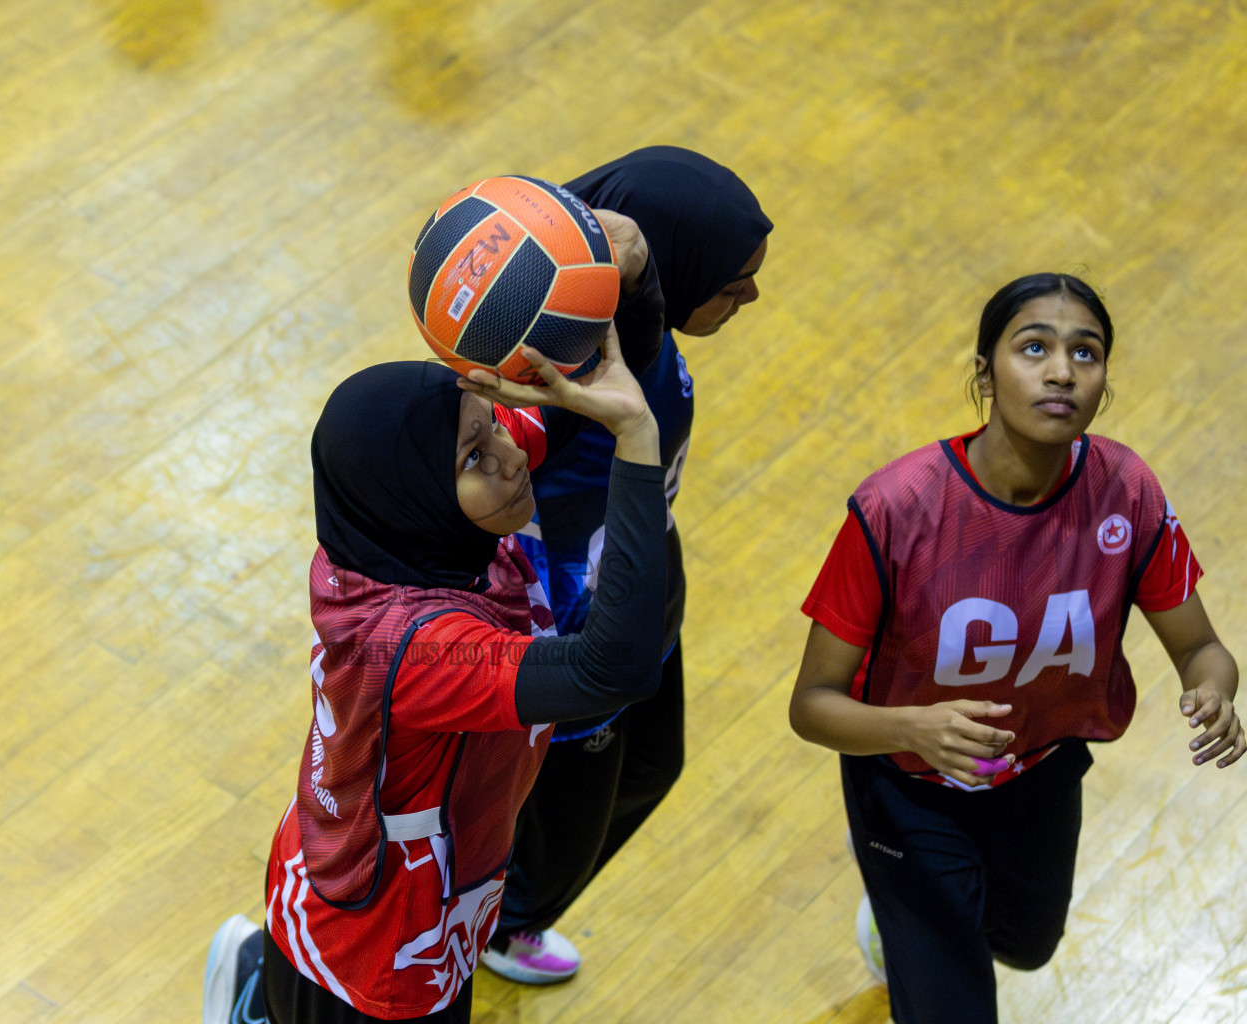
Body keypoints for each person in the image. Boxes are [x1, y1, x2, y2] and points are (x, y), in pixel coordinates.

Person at [202, 209, 672, 1023]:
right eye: (473, 455)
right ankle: (254, 987)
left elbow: (568, 390)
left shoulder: (420, 525)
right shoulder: (419, 648)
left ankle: (254, 981)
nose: (510, 452)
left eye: (490, 427)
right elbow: (611, 668)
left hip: (406, 883)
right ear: (419, 493)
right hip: (369, 952)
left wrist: (628, 285)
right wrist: (635, 437)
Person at [787, 272, 1243, 1024]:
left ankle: (904, 925)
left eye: (1085, 353)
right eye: (1034, 347)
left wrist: (1215, 690)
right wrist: (916, 730)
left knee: (1028, 946)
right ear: (985, 371)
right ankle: (902, 912)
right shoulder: (896, 508)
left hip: (1042, 770)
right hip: (910, 786)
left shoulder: (1125, 490)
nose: (1062, 370)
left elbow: (1202, 647)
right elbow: (812, 705)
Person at [483, 145, 773, 984]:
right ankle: (496, 925)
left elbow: (640, 301)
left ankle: (509, 908)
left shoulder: (634, 345)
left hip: (643, 582)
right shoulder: (573, 375)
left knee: (654, 768)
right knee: (561, 847)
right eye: (733, 280)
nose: (751, 294)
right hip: (574, 640)